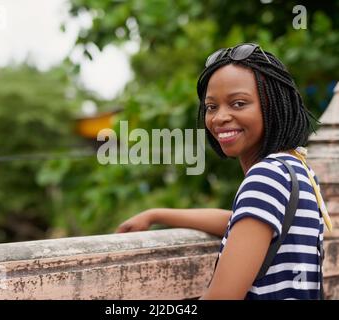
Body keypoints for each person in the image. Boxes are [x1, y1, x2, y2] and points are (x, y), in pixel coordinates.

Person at [115, 43, 332, 300]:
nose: (219, 118)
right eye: (211, 107)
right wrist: (156, 214)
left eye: (238, 103)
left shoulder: (266, 177)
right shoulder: (297, 169)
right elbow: (242, 223)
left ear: (273, 105)